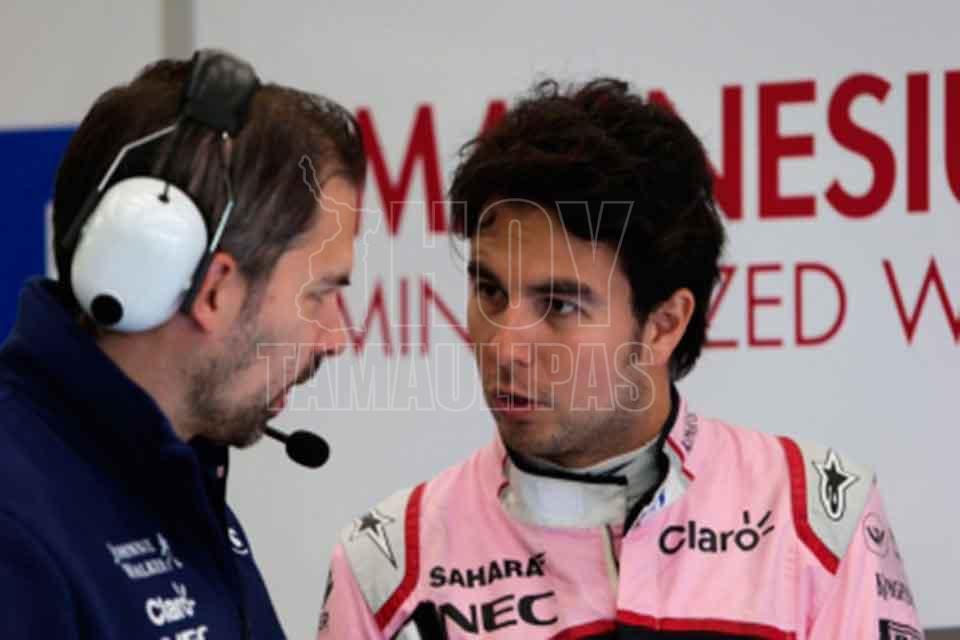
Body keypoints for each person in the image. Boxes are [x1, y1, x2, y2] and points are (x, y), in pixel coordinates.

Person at [317, 79, 922, 639]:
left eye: (559, 305)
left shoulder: (818, 520)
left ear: (663, 325)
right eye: (490, 292)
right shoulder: (387, 567)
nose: (504, 347)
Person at [0, 49, 364, 638]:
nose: (337, 337)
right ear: (215, 289)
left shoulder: (175, 477)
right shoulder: (17, 531)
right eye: (320, 293)